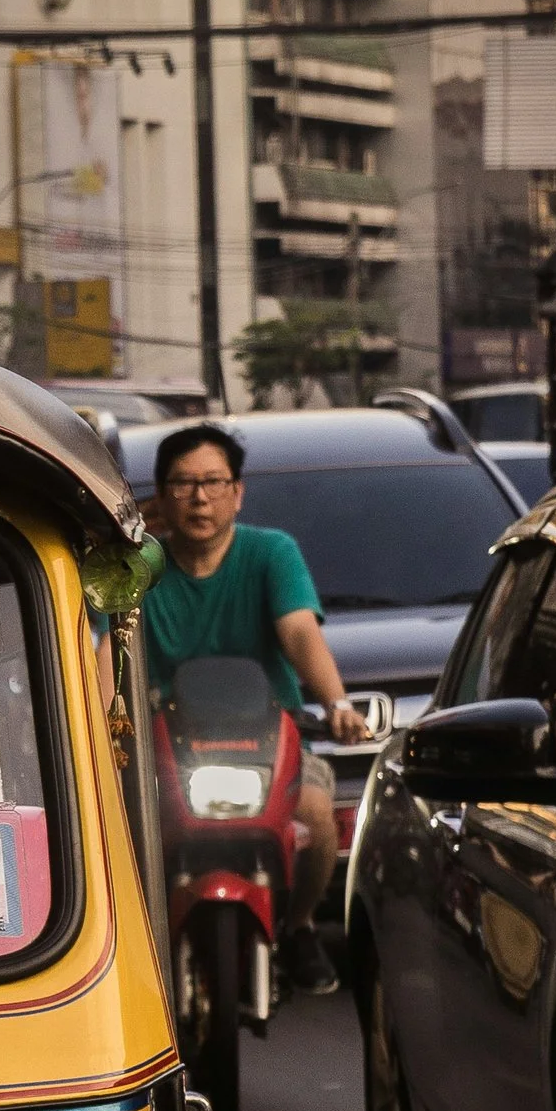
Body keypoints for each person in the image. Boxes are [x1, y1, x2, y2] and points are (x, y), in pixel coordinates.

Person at [141, 421, 365, 994]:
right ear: (161, 495)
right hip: (162, 747)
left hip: (271, 745)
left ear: (237, 492)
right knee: (121, 826)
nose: (200, 497)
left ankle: (298, 926)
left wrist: (335, 703)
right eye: (184, 483)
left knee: (316, 814)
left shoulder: (272, 553)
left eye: (214, 481)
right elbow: (97, 648)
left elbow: (299, 634)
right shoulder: (137, 566)